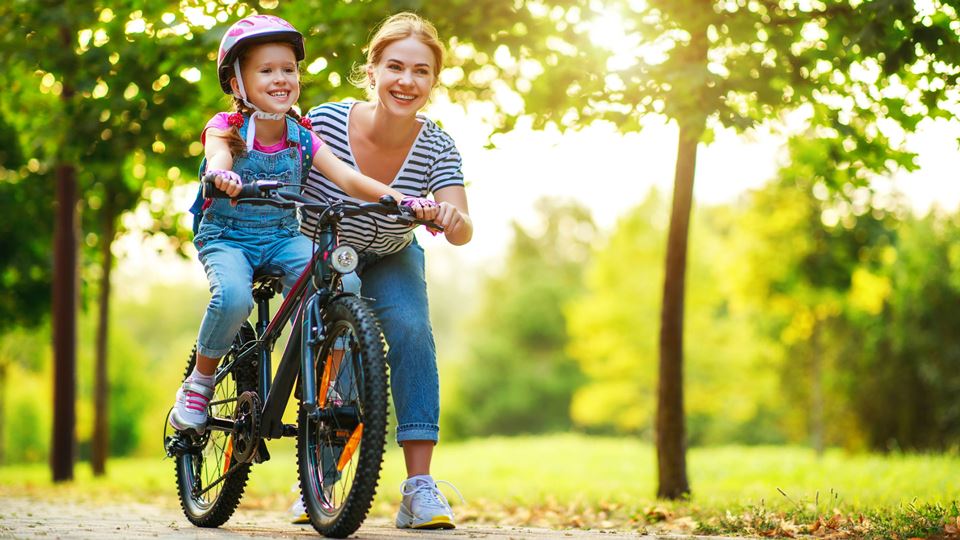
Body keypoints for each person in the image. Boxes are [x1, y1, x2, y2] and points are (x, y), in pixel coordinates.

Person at [168, 14, 437, 435]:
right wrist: (222, 175)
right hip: (229, 238)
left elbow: (348, 177)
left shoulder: (303, 135)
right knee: (234, 298)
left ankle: (327, 377)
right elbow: (218, 156)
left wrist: (401, 199)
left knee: (343, 283)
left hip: (281, 236)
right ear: (237, 83)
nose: (281, 78)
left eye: (289, 69)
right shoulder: (226, 129)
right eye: (266, 70)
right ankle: (200, 382)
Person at [293, 12, 473, 530]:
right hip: (323, 249)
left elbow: (462, 229)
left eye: (421, 71)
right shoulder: (325, 122)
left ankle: (419, 488)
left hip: (392, 252)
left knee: (413, 331)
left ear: (433, 82)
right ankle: (321, 479)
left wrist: (451, 216)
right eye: (395, 67)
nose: (406, 81)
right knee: (343, 342)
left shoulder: (437, 144)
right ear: (372, 71)